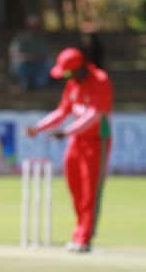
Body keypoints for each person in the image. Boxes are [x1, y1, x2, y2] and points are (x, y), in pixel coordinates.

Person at [27, 47, 113, 253]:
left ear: (78, 68)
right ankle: (81, 230)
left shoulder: (100, 80)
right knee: (74, 185)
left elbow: (94, 115)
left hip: (96, 140)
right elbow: (62, 111)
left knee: (89, 191)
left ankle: (83, 238)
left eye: (68, 72)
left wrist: (66, 132)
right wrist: (39, 127)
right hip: (76, 139)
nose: (66, 77)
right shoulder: (73, 83)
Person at [8, 15, 52, 91]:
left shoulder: (40, 39)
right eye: (32, 26)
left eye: (36, 26)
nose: (34, 28)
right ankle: (24, 84)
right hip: (25, 65)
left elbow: (45, 54)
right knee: (18, 64)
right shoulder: (20, 38)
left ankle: (40, 84)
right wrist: (28, 57)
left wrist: (36, 58)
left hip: (38, 65)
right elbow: (14, 54)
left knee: (49, 63)